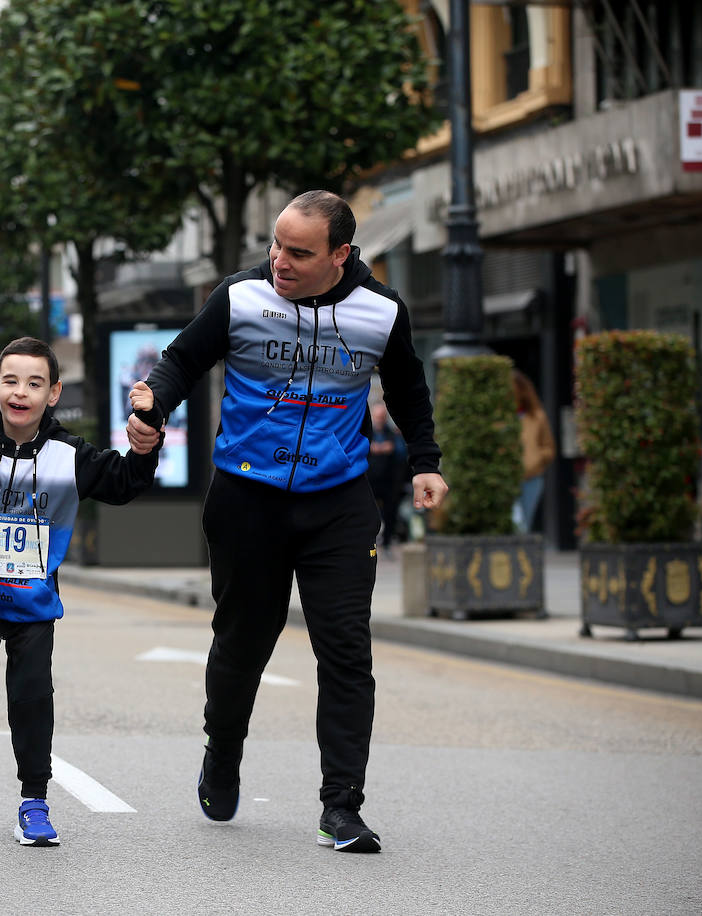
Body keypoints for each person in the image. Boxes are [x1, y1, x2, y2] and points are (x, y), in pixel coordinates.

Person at [126, 190, 447, 854]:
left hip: (338, 502)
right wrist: (152, 409)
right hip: (247, 498)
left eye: (299, 252)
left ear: (340, 255)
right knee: (244, 644)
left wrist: (425, 461)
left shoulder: (380, 311)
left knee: (346, 650)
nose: (280, 260)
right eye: (276, 244)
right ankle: (223, 750)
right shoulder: (240, 297)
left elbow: (409, 389)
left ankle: (342, 808)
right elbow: (183, 359)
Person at [0, 337, 161, 847]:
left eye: (35, 383)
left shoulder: (67, 454)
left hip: (33, 601)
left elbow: (124, 482)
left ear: (54, 392)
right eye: (11, 381)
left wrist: (147, 445)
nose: (22, 393)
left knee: (33, 696)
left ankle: (34, 801)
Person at [512, 370, 555, 534]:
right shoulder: (499, 418)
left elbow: (549, 448)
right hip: (506, 478)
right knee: (513, 523)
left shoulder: (537, 417)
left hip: (531, 478)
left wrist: (536, 459)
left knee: (525, 523)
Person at [365, 399, 407, 549]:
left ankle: (387, 542)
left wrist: (392, 448)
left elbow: (402, 454)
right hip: (369, 480)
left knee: (390, 512)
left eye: (382, 417)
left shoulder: (393, 434)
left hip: (388, 482)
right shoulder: (366, 432)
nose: (379, 420)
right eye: (377, 417)